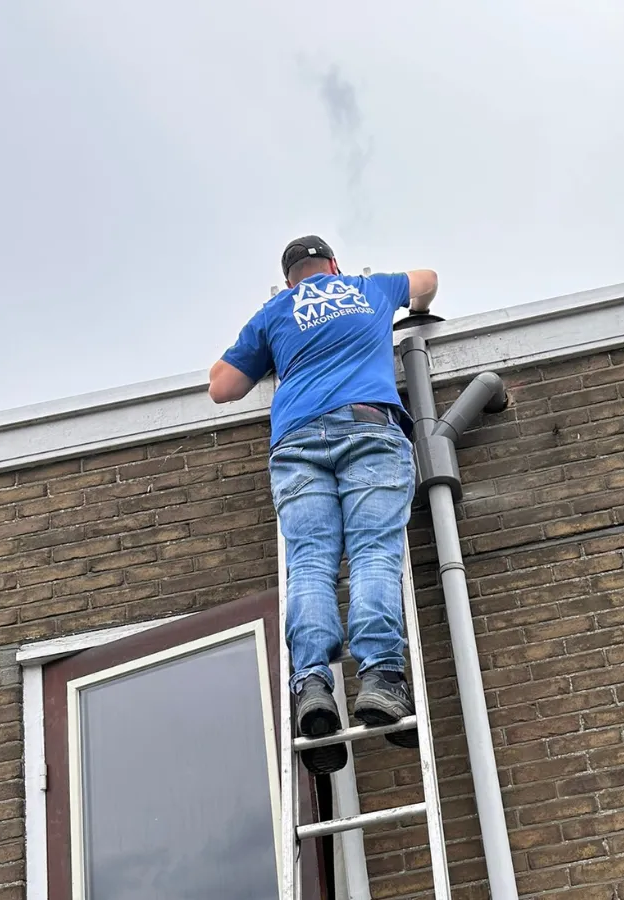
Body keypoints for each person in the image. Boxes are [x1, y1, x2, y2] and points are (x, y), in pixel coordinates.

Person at [208, 235, 437, 775]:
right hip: (368, 426)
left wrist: (274, 354)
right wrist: (414, 310)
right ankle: (380, 677)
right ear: (333, 265)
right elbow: (427, 279)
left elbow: (221, 387)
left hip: (297, 441)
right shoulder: (368, 289)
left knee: (309, 562)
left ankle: (312, 684)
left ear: (290, 278)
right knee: (373, 551)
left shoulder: (273, 314)